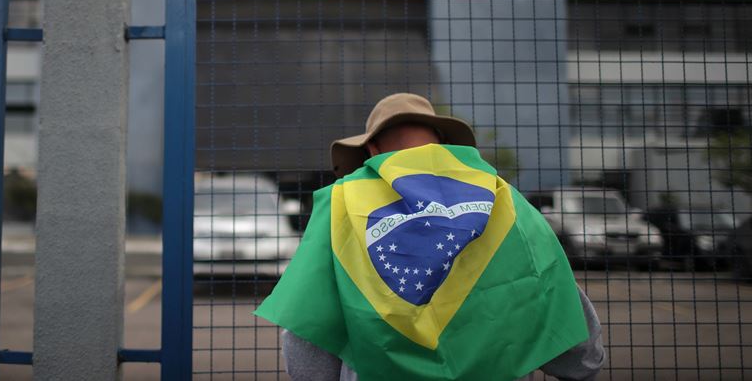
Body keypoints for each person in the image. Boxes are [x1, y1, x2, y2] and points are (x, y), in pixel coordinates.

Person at [257, 93, 606, 380]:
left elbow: (307, 350)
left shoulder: (340, 205)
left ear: (372, 152)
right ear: (442, 146)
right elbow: (576, 348)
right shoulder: (503, 199)